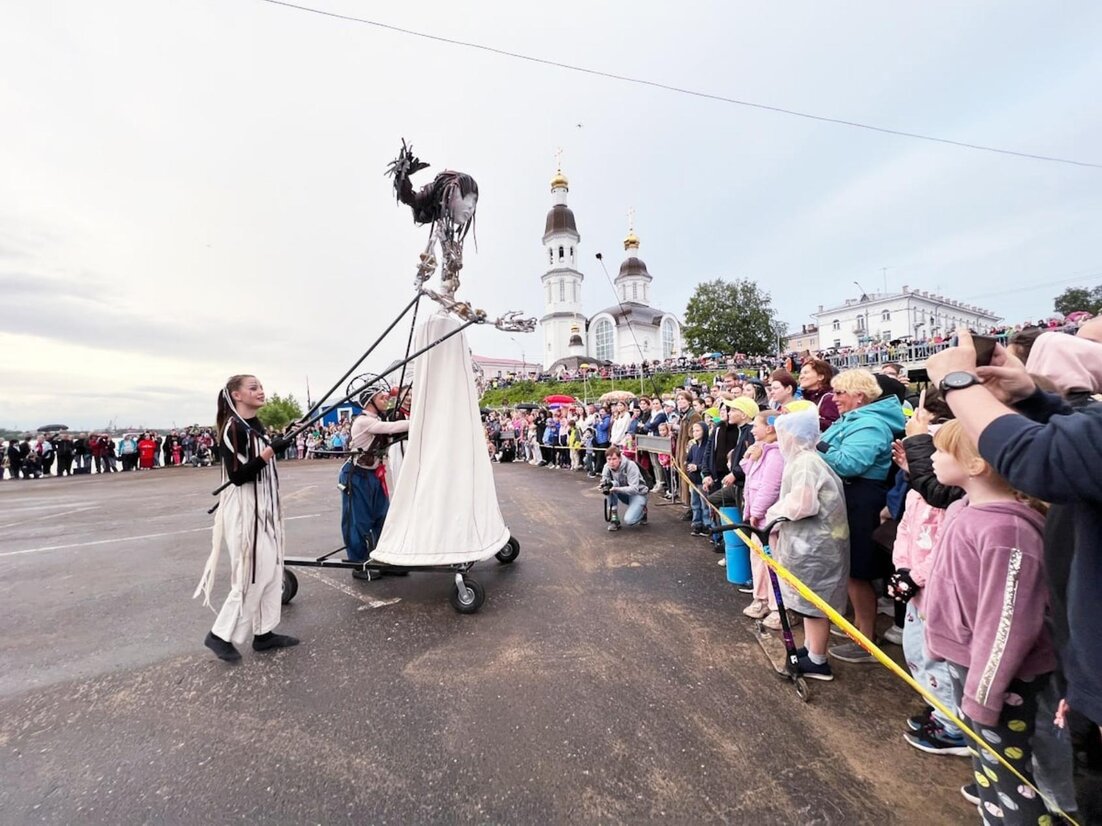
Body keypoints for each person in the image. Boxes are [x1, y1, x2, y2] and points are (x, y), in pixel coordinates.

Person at [926, 329, 1102, 736]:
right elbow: (1080, 444)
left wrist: (957, 383)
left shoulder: (1006, 529)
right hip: (1080, 662)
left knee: (1033, 780)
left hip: (1016, 676)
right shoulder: (970, 511)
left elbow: (1042, 459)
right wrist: (1032, 398)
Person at [922, 419, 1053, 822]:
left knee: (1010, 775)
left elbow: (1008, 625)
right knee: (986, 762)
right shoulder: (964, 508)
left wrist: (983, 693)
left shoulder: (1007, 530)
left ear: (976, 464)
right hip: (971, 664)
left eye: (942, 450)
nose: (931, 456)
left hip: (1001, 676)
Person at [194, 374, 298, 661]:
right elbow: (239, 476)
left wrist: (279, 444)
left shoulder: (254, 425)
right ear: (236, 395)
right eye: (253, 388)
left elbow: (264, 456)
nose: (261, 391)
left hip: (264, 507)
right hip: (244, 508)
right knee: (251, 573)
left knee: (272, 569)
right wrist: (268, 453)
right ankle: (219, 635)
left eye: (262, 387)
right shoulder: (232, 428)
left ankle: (264, 633)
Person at [816, 368, 905, 663]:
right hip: (852, 498)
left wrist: (816, 445)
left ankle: (866, 639)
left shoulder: (871, 425)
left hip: (862, 501)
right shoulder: (856, 419)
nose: (835, 399)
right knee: (853, 569)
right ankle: (860, 630)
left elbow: (849, 463)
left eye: (840, 393)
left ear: (859, 396)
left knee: (859, 571)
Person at [765, 409, 850, 681]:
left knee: (814, 605)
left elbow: (803, 503)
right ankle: (813, 651)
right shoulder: (806, 460)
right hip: (809, 543)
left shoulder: (805, 463)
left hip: (814, 545)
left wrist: (773, 515)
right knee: (809, 605)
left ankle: (819, 660)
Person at [342, 382, 410, 578]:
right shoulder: (364, 421)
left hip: (373, 474)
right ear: (369, 401)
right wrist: (418, 420)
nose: (386, 399)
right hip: (356, 475)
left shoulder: (377, 419)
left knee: (383, 517)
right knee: (358, 521)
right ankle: (358, 563)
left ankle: (384, 557)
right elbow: (390, 427)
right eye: (381, 397)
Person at [740, 411, 785, 626]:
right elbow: (751, 478)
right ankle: (761, 599)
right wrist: (749, 457)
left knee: (772, 563)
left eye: (756, 425)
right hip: (757, 516)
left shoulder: (776, 454)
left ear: (769, 428)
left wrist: (756, 512)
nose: (752, 429)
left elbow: (770, 488)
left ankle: (778, 607)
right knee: (758, 560)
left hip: (767, 520)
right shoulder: (763, 450)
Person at [601, 445, 649, 532]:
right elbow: (604, 481)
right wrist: (603, 486)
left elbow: (634, 489)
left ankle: (643, 511)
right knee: (611, 485)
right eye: (609, 459)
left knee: (629, 521)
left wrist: (616, 489)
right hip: (624, 493)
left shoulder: (630, 465)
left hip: (638, 493)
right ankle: (614, 519)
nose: (611, 462)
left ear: (620, 458)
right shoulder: (606, 467)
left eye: (614, 459)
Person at [685, 421, 713, 536]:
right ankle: (697, 524)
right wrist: (689, 465)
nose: (695, 433)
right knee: (695, 503)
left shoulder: (708, 447)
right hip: (693, 479)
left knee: (704, 503)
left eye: (698, 430)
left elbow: (709, 463)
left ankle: (707, 525)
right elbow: (689, 459)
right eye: (694, 431)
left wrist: (698, 467)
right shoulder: (694, 447)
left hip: (702, 479)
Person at [797, 359, 840, 432]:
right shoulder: (806, 398)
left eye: (806, 373)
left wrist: (806, 418)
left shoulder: (829, 398)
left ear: (820, 377)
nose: (801, 377)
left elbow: (834, 426)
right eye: (801, 373)